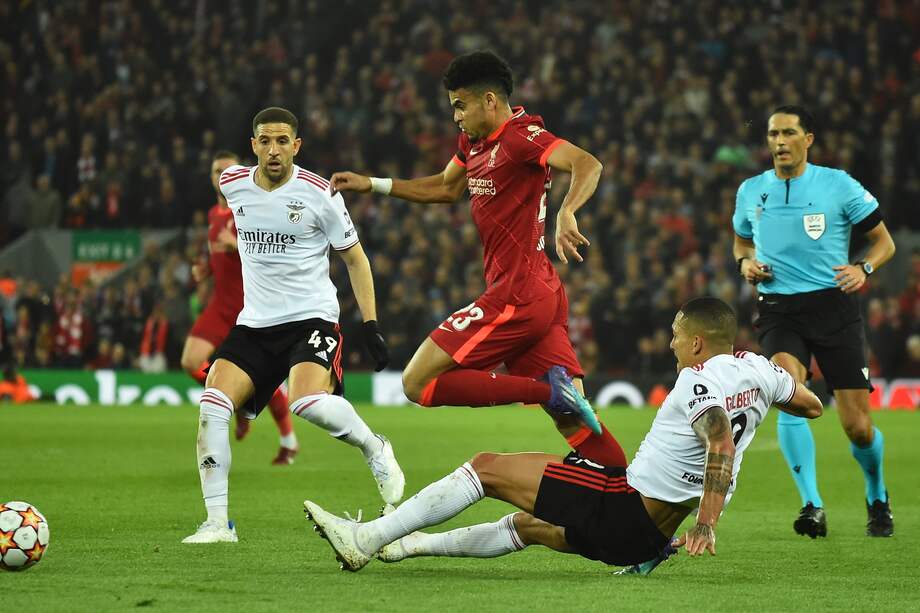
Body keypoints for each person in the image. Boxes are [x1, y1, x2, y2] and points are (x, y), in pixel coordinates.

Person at [305, 297, 823, 572]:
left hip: (623, 504)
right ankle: (408, 546)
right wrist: (761, 397)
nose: (669, 344)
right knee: (527, 527)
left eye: (674, 335)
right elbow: (811, 404)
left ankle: (367, 539)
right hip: (644, 540)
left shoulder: (697, 381)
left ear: (696, 342)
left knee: (486, 468)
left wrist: (708, 523)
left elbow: (720, 444)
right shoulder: (758, 370)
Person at [330, 50, 611, 451]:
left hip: (516, 293)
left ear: (490, 101)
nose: (456, 117)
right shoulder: (474, 142)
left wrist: (567, 211)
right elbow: (446, 187)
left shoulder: (521, 137)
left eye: (460, 106)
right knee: (576, 417)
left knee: (416, 382)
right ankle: (620, 484)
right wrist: (372, 184)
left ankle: (546, 391)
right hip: (539, 291)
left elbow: (588, 164)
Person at [183, 107, 405, 544]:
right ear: (253, 147)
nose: (273, 150)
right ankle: (217, 523)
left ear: (296, 146)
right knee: (211, 404)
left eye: (283, 141)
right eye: (265, 141)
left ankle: (374, 447)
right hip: (255, 323)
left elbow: (356, 260)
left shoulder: (321, 195)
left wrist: (371, 322)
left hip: (311, 318)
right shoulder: (233, 185)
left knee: (307, 403)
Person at [732, 105, 897, 538]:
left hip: (834, 307)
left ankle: (877, 494)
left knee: (858, 428)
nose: (779, 142)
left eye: (788, 133)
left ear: (808, 139)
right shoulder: (751, 190)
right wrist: (745, 262)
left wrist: (864, 269)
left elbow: (884, 243)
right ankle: (812, 504)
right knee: (789, 389)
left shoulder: (837, 185)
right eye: (772, 134)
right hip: (778, 308)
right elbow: (740, 240)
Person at [181, 150, 298, 466]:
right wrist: (205, 269)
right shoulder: (213, 215)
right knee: (190, 360)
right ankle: (234, 401)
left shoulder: (250, 208)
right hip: (221, 304)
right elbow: (215, 256)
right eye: (215, 170)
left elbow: (274, 249)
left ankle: (288, 440)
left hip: (252, 303)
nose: (220, 175)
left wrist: (237, 247)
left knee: (260, 375)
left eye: (226, 169)